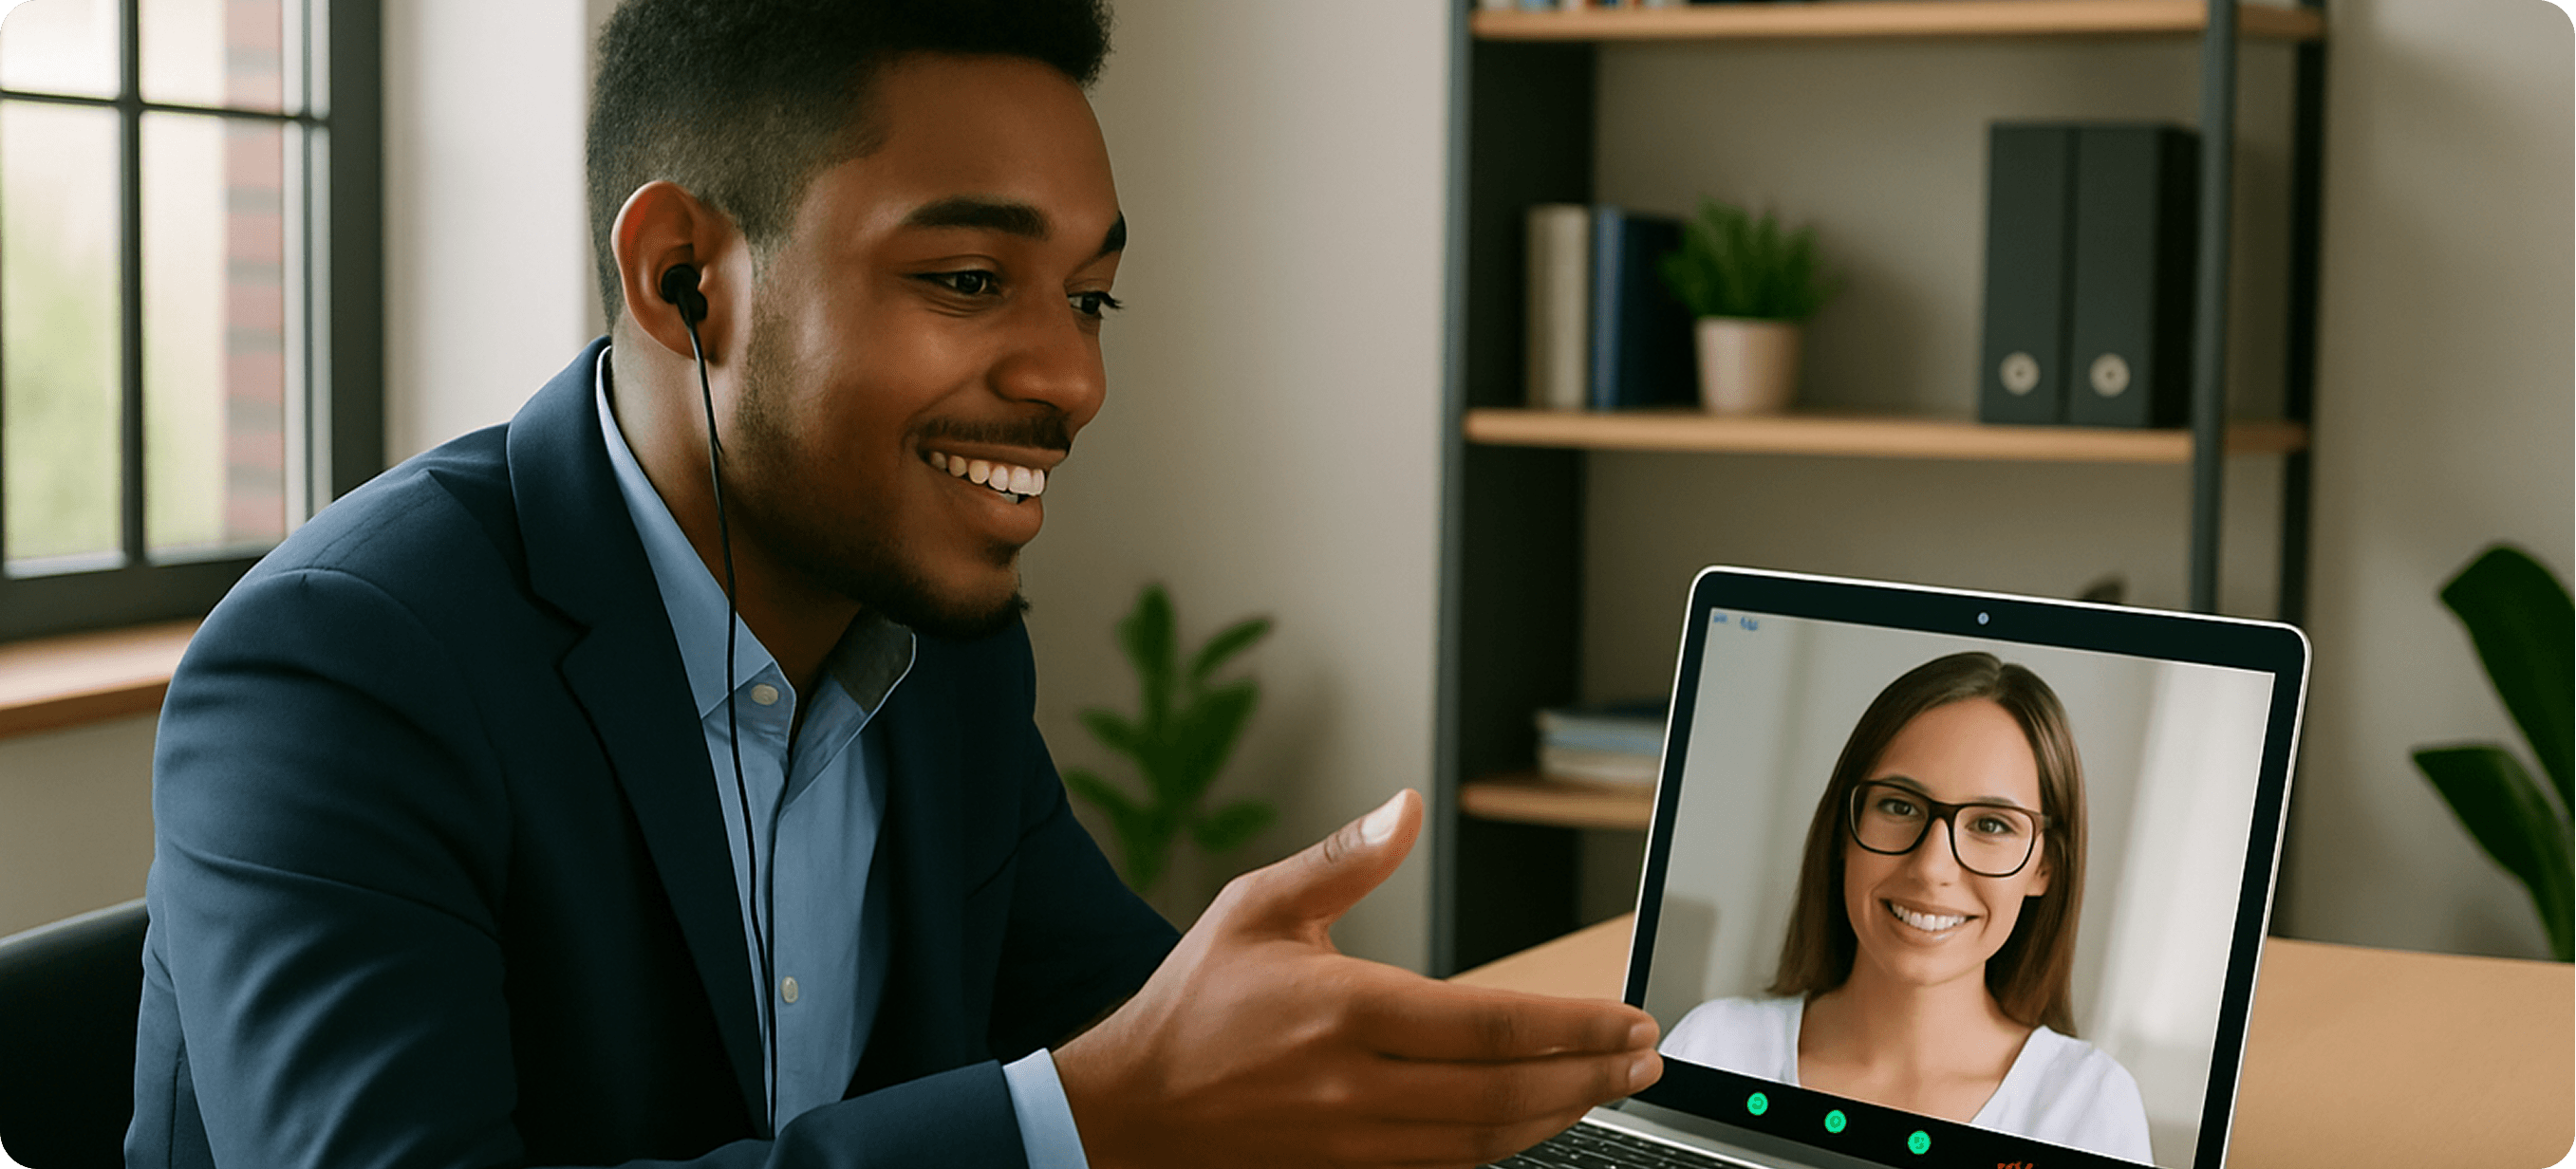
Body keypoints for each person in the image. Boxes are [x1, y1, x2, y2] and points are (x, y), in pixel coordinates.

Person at [128, 3, 1662, 1167]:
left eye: (1090, 295)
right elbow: (1104, 1094)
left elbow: (1144, 1033)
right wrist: (1082, 1116)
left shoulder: (941, 650)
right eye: (966, 280)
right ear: (684, 279)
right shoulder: (344, 665)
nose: (1072, 375)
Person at [1661, 652, 2153, 1163]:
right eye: (1899, 807)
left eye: (1991, 825)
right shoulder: (1714, 1048)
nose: (1931, 867)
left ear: (2043, 868)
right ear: (1843, 831)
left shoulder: (2087, 1107)